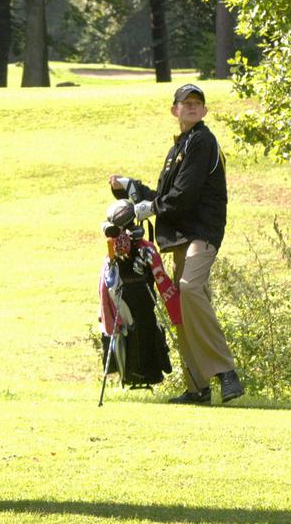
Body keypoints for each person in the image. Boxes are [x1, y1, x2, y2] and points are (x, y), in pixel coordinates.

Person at [109, 83, 243, 405]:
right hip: (182, 236)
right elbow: (165, 198)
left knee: (190, 288)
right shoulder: (179, 148)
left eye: (198, 103)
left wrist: (151, 207)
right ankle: (197, 387)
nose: (192, 107)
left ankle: (226, 372)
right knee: (181, 304)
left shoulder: (202, 141)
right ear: (175, 110)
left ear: (204, 111)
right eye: (186, 103)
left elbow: (183, 196)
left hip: (202, 234)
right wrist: (131, 188)